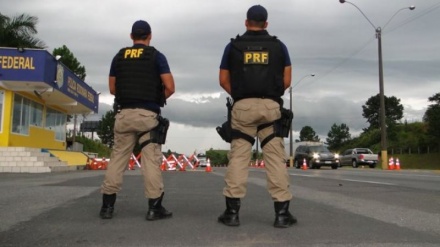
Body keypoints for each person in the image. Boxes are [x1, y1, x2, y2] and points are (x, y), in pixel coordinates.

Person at [218, 5, 297, 228]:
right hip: (271, 108)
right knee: (275, 159)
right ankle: (282, 214)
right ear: (266, 24)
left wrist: (241, 96)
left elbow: (223, 79)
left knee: (239, 158)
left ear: (246, 22)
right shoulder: (279, 47)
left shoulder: (232, 46)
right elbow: (287, 80)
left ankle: (231, 213)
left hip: (242, 107)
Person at [100, 20, 175, 221]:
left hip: (123, 115)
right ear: (149, 35)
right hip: (147, 116)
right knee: (150, 161)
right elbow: (170, 87)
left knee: (117, 159)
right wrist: (156, 99)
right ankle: (154, 208)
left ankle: (107, 207)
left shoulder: (119, 56)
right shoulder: (157, 57)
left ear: (131, 36)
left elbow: (113, 89)